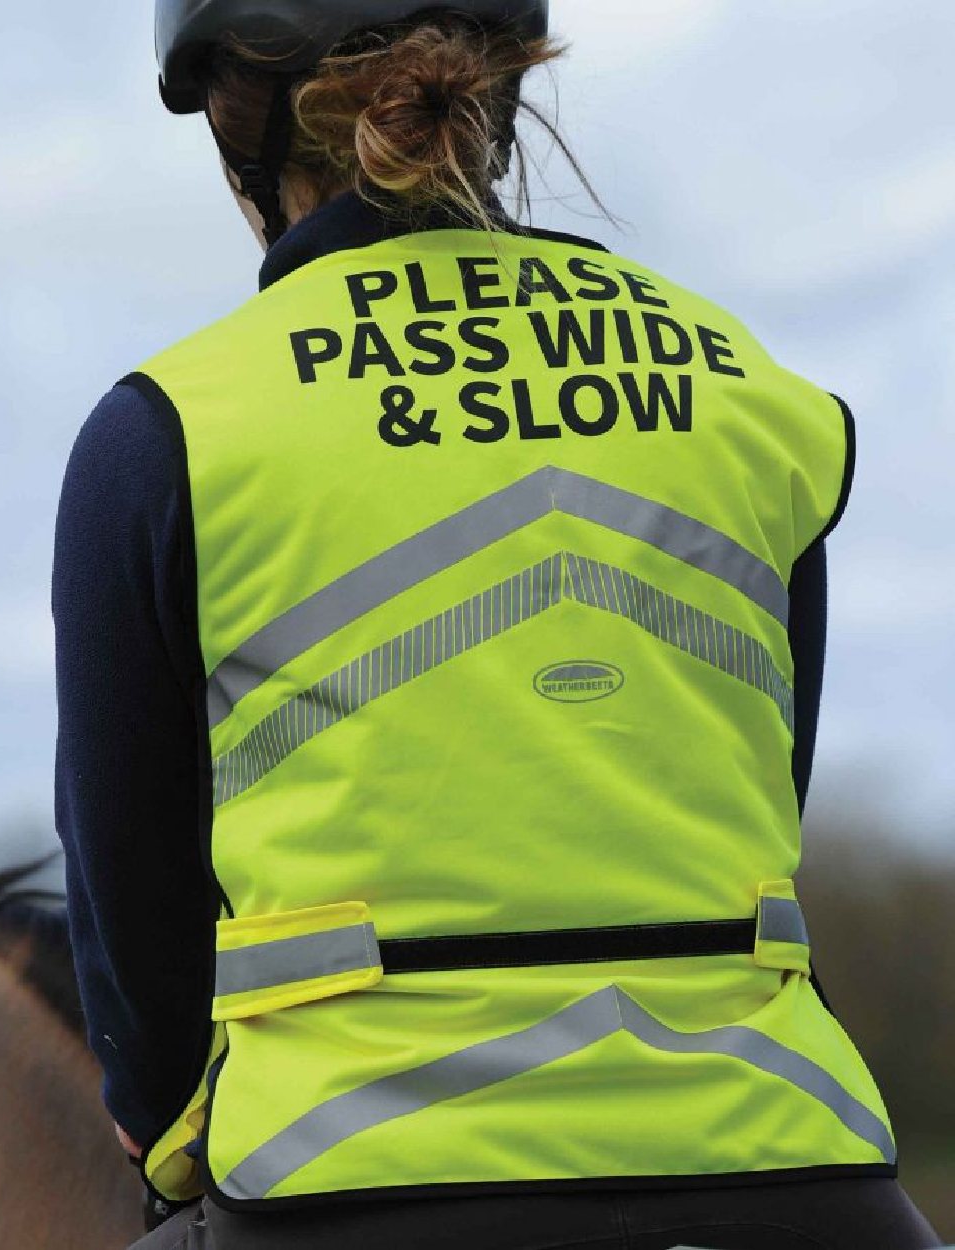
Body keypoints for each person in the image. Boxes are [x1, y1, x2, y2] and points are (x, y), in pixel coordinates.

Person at [52, 2, 943, 1247]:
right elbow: (761, 787)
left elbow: (130, 909)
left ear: (231, 123)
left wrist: (157, 1123)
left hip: (344, 1167)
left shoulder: (168, 429)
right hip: (787, 1152)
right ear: (502, 96)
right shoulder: (743, 385)